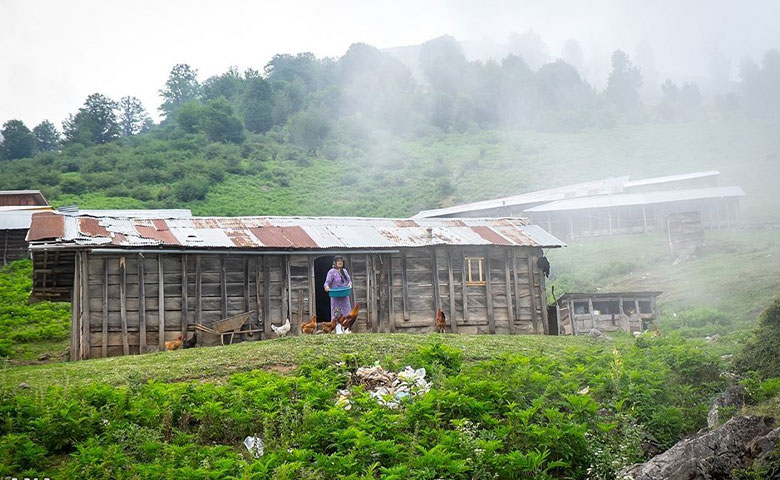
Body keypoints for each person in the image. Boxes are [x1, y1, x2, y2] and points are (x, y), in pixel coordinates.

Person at [324, 256, 352, 321]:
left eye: (341, 261)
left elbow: (349, 281)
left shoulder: (344, 271)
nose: (340, 262)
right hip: (336, 296)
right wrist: (327, 287)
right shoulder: (331, 272)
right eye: (338, 261)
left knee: (347, 314)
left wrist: (350, 284)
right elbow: (326, 283)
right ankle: (337, 326)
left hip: (345, 296)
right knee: (337, 314)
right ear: (335, 262)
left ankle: (346, 326)